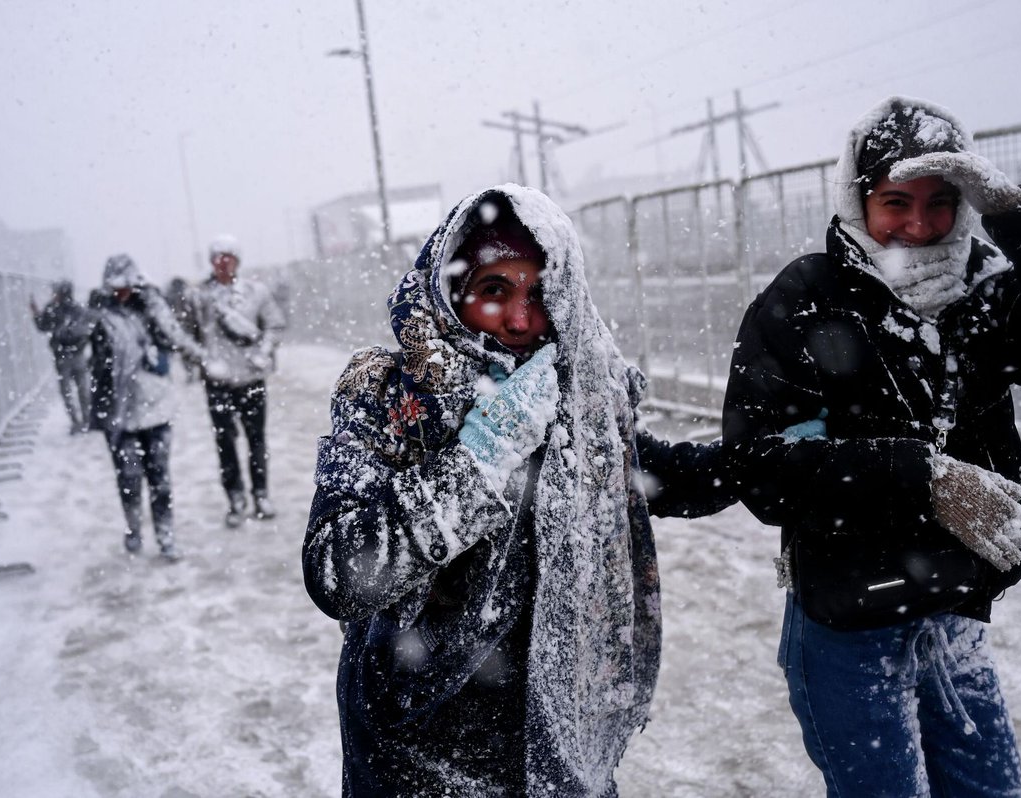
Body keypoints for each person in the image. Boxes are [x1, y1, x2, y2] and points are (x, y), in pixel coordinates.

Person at [722, 96, 1021, 796]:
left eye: (942, 201)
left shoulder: (981, 289)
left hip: (957, 611)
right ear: (858, 200)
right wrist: (921, 477)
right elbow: (761, 468)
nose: (918, 226)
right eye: (895, 201)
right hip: (848, 623)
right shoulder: (807, 296)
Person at [302, 185, 736, 797]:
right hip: (419, 747)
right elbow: (339, 573)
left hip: (557, 735)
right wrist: (478, 462)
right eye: (494, 291)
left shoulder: (574, 392)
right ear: (451, 292)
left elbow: (644, 472)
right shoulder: (386, 398)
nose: (522, 319)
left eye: (538, 292)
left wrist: (763, 460)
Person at [89, 254, 206, 561]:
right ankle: (134, 529)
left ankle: (166, 536)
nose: (121, 292)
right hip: (120, 413)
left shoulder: (151, 310)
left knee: (160, 480)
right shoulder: (100, 315)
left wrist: (152, 302)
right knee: (128, 478)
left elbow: (175, 336)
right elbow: (95, 357)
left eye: (127, 285)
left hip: (156, 408)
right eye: (115, 286)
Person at [188, 234, 286, 527]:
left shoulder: (257, 292)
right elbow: (187, 334)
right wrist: (204, 360)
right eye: (218, 257)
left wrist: (264, 352)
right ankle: (235, 498)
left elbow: (275, 325)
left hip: (251, 379)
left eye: (228, 256)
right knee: (225, 443)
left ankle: (261, 494)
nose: (223, 262)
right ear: (210, 261)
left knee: (257, 440)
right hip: (217, 383)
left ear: (237, 261)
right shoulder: (199, 297)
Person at [31, 279, 93, 434]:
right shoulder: (78, 309)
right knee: (82, 389)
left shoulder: (53, 309)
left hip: (62, 357)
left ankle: (77, 422)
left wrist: (36, 313)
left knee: (67, 391)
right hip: (77, 355)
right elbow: (87, 330)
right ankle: (86, 420)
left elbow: (42, 326)